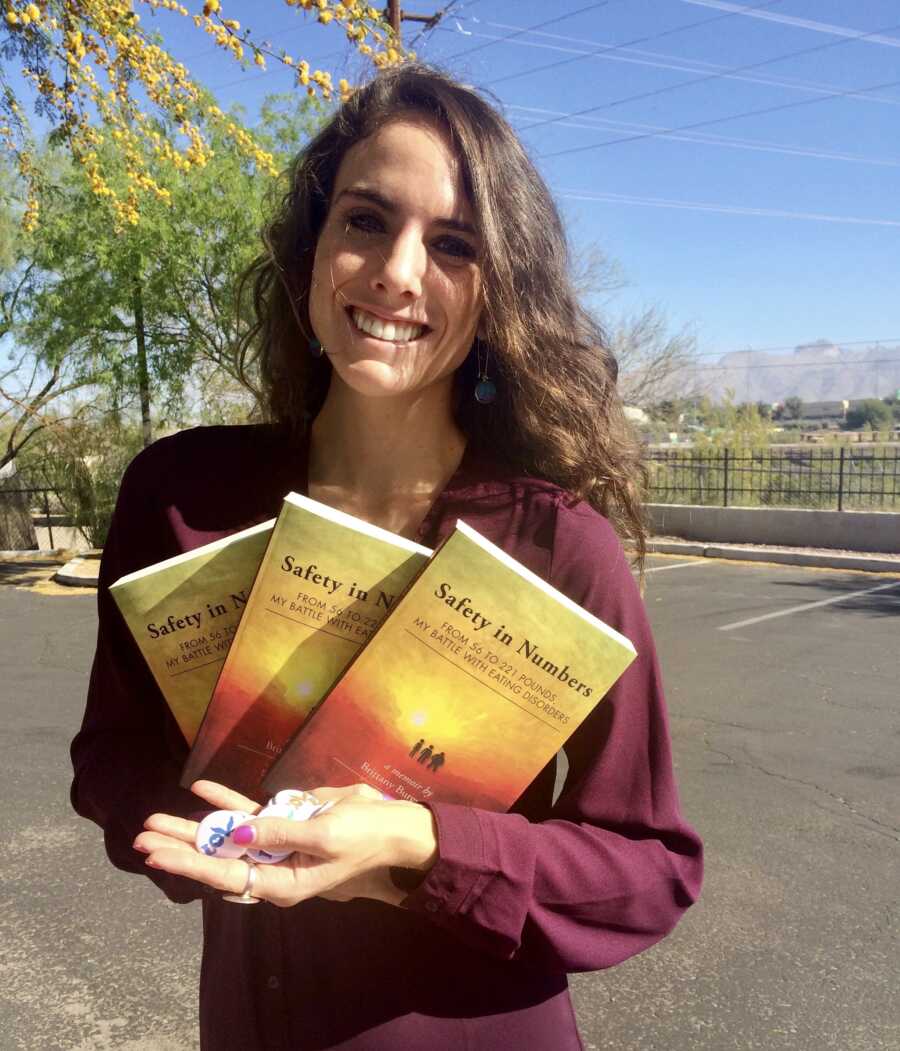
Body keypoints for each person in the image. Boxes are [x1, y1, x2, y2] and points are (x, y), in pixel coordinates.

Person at [71, 65, 703, 1050]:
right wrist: (227, 837)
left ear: (499, 295)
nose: (399, 272)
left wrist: (420, 845)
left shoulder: (553, 542)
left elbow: (649, 867)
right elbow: (110, 757)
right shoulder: (182, 497)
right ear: (309, 250)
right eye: (366, 221)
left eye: (454, 244)